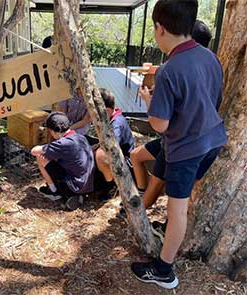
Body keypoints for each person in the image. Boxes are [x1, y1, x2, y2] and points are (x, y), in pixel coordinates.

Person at [130, 0, 227, 289]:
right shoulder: (210, 57)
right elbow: (214, 99)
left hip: (187, 148)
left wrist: (149, 102)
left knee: (178, 210)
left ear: (160, 29)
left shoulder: (169, 70)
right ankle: (172, 235)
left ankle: (164, 270)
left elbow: (160, 124)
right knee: (179, 205)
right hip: (213, 141)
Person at [130, 19, 215, 208]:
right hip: (183, 140)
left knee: (163, 187)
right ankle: (145, 202)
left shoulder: (178, 67)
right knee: (137, 156)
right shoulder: (207, 66)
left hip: (180, 142)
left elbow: (162, 122)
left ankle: (142, 214)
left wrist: (149, 101)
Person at [31, 112, 95, 210]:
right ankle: (76, 195)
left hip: (75, 185)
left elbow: (34, 151)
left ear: (54, 131)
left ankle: (55, 192)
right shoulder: (80, 137)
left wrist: (45, 147)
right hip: (88, 184)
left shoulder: (63, 143)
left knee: (41, 157)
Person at [94, 88, 134, 199]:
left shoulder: (117, 123)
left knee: (100, 155)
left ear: (106, 111)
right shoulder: (113, 117)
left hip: (124, 160)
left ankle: (110, 185)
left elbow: (111, 146)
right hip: (118, 155)